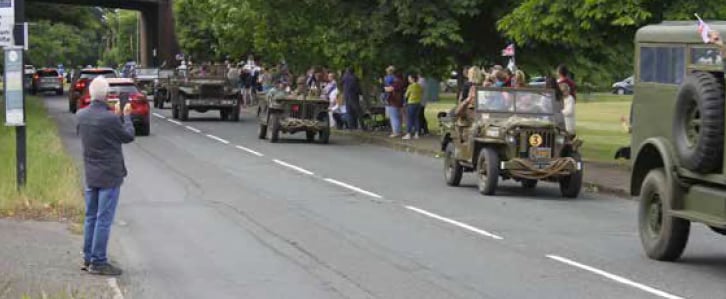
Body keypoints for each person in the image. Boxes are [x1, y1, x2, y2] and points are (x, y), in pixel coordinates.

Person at [76, 77, 135, 276]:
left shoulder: (81, 115)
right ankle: (99, 261)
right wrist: (125, 116)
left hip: (91, 173)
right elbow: (128, 136)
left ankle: (88, 256)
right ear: (107, 95)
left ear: (90, 94)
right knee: (104, 219)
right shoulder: (110, 118)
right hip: (109, 175)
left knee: (90, 216)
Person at [384, 71, 404, 137]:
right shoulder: (402, 82)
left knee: (394, 118)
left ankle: (396, 132)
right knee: (398, 117)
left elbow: (389, 89)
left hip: (394, 102)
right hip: (399, 102)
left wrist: (384, 87)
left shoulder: (397, 83)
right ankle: (399, 131)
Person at [403, 74, 423, 139]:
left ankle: (408, 133)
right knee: (416, 118)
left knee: (409, 119)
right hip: (418, 103)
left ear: (413, 79)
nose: (408, 80)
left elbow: (406, 95)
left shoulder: (411, 86)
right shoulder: (419, 86)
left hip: (411, 103)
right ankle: (417, 133)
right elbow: (421, 93)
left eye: (409, 78)